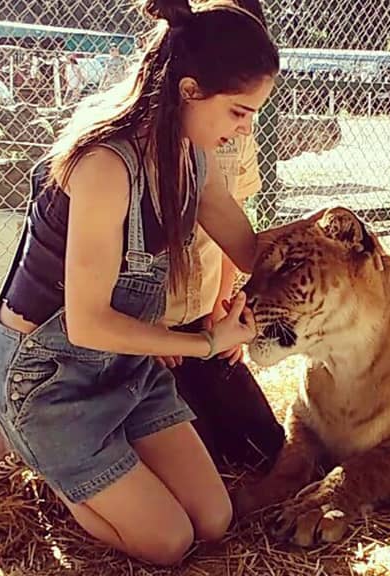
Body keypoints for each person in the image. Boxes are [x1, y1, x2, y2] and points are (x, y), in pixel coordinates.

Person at [0, 0, 278, 566]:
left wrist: (318, 260)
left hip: (122, 366)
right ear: (189, 91)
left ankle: (102, 471)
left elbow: (245, 244)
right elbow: (88, 323)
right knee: (168, 543)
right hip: (49, 378)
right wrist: (207, 343)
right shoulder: (105, 165)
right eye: (239, 112)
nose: (246, 128)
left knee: (213, 522)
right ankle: (51, 464)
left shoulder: (191, 151)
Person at [162, 0, 284, 473]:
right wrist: (149, 336)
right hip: (143, 330)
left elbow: (236, 230)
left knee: (263, 449)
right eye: (240, 110)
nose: (246, 125)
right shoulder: (128, 153)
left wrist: (222, 309)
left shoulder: (230, 129)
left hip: (201, 321)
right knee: (202, 463)